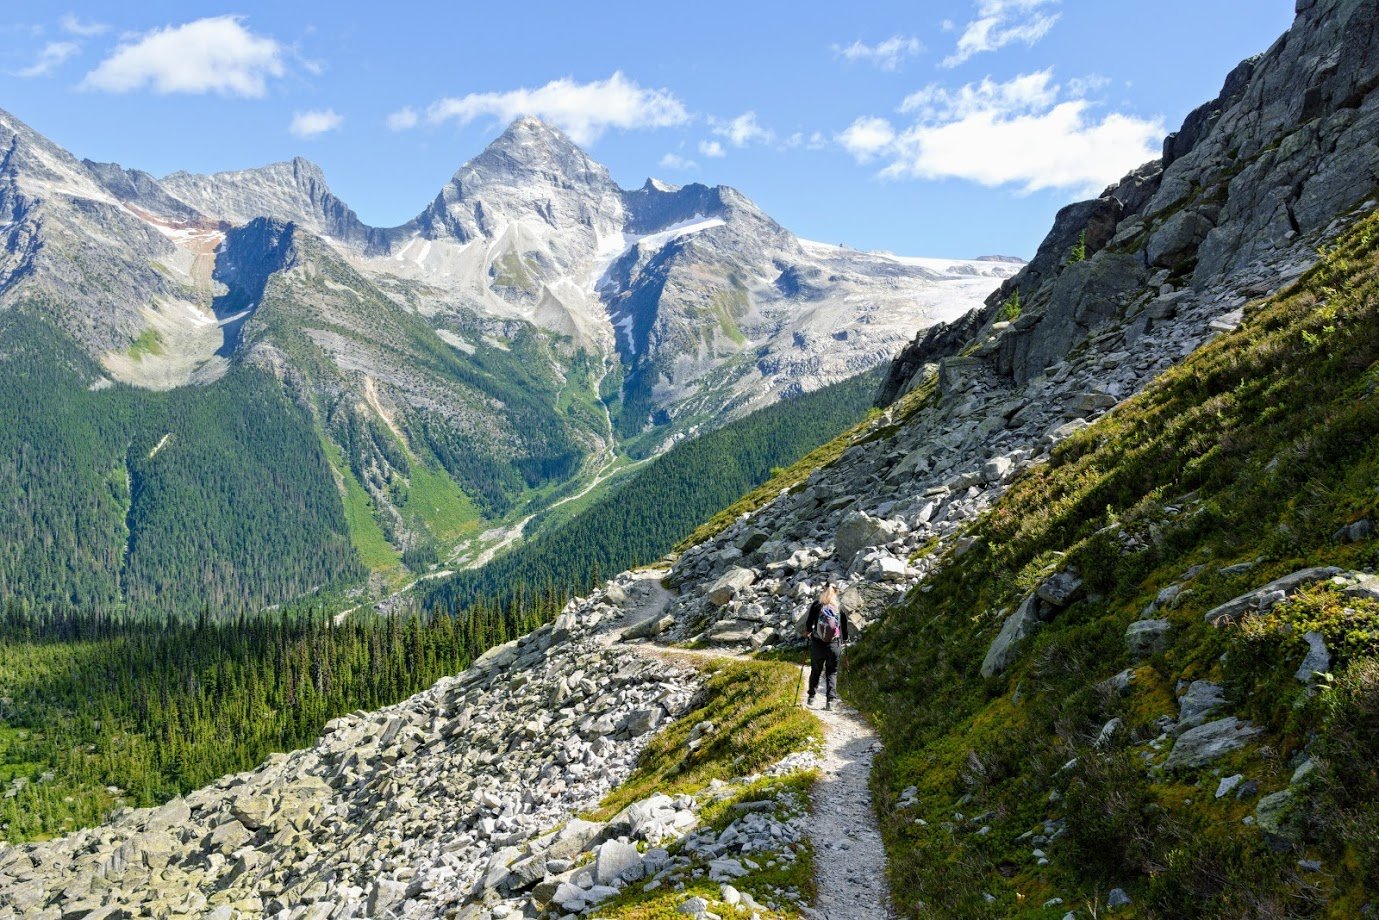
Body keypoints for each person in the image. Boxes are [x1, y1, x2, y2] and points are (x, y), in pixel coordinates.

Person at [800, 584, 849, 710]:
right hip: (834, 645)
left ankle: (811, 697)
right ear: (835, 593)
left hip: (818, 644)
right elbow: (844, 627)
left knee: (816, 670)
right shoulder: (839, 607)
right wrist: (844, 640)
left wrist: (807, 632)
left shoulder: (817, 605)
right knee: (831, 672)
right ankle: (830, 701)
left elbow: (809, 623)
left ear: (823, 592)